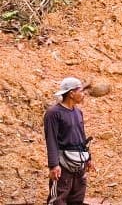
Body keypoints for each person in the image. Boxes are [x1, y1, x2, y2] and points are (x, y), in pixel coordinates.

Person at [44, 77, 94, 205]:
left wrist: (88, 158)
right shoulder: (53, 113)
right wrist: (54, 165)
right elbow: (51, 140)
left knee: (77, 198)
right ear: (71, 93)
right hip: (63, 165)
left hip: (79, 162)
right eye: (81, 91)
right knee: (58, 199)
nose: (83, 94)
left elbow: (82, 137)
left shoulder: (78, 112)